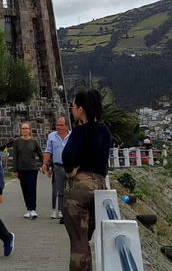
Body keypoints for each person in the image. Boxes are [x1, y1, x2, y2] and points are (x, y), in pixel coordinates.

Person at [62, 90, 111, 271]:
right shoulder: (104, 131)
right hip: (99, 187)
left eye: (73, 107)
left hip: (80, 189)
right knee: (86, 238)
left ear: (80, 109)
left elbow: (67, 154)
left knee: (78, 241)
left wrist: (70, 171)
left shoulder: (80, 130)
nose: (72, 110)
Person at [10, 122, 43, 219]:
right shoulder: (17, 142)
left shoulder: (34, 142)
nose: (24, 130)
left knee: (31, 188)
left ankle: (33, 209)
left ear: (29, 130)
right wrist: (14, 170)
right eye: (23, 128)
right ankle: (28, 209)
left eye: (26, 128)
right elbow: (15, 156)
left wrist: (45, 165)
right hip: (21, 169)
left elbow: (40, 154)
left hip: (32, 168)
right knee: (24, 189)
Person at [42, 117, 70, 220]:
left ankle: (64, 210)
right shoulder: (52, 136)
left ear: (67, 126)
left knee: (68, 189)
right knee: (57, 189)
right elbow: (48, 151)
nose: (58, 127)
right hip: (57, 166)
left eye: (61, 125)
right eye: (57, 125)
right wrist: (45, 164)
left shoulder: (72, 136)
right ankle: (56, 210)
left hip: (69, 167)